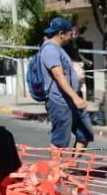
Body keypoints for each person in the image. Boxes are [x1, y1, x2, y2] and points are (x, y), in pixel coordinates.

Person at [39, 17, 93, 154]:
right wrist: (75, 97)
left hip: (72, 100)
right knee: (60, 141)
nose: (71, 37)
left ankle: (72, 167)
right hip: (60, 102)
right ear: (61, 34)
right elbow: (58, 76)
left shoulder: (59, 49)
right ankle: (57, 173)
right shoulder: (50, 50)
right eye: (70, 34)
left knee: (85, 134)